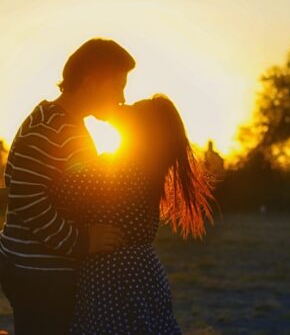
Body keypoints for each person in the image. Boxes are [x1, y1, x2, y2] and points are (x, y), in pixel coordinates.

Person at [0, 38, 135, 335]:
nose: (122, 97)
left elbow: (53, 185)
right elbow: (30, 200)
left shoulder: (62, 122)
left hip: (37, 266)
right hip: (39, 270)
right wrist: (83, 242)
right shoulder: (50, 127)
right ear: (92, 82)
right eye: (118, 86)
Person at [50, 94, 215, 334]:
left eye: (133, 108)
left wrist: (6, 193)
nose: (123, 104)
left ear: (139, 129)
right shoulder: (143, 168)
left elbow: (59, 192)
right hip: (139, 273)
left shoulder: (122, 168)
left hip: (116, 278)